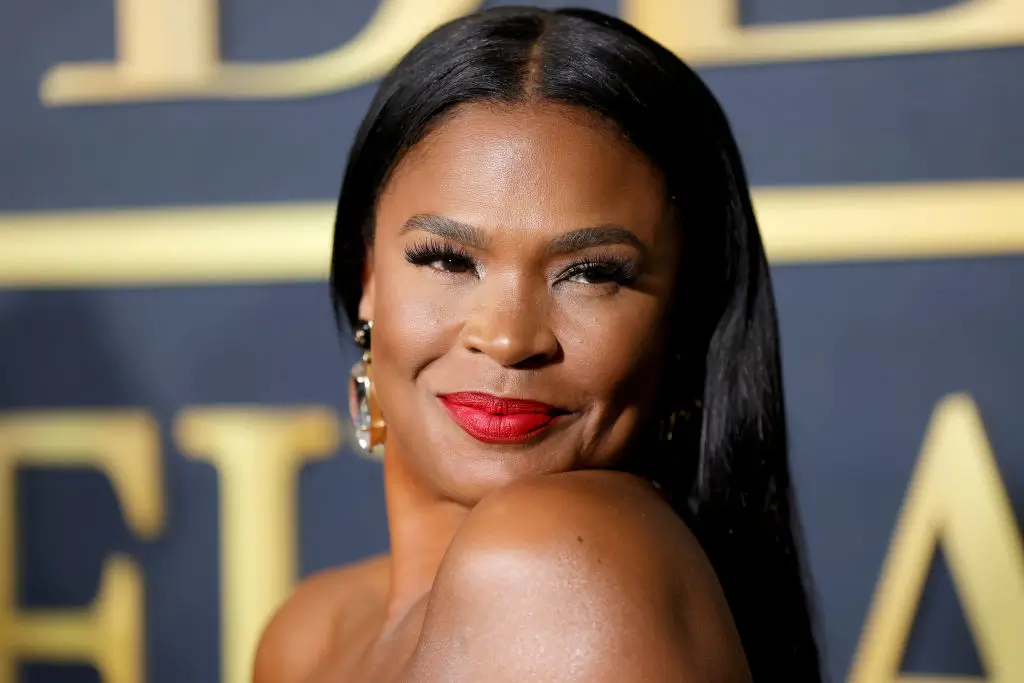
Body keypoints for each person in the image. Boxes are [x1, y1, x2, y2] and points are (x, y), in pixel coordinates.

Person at [253, 6, 822, 683]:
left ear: (683, 315)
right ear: (368, 275)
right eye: (446, 259)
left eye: (592, 273)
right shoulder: (312, 633)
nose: (506, 337)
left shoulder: (554, 565)